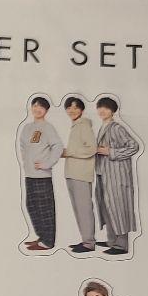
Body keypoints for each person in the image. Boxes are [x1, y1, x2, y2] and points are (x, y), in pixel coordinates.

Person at [94, 96, 140, 256]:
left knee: (118, 207)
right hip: (103, 173)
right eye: (100, 107)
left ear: (113, 111)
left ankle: (121, 245)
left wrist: (111, 152)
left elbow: (134, 146)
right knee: (106, 207)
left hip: (116, 175)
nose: (102, 110)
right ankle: (111, 240)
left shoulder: (116, 128)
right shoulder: (103, 126)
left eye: (106, 108)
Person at [18, 96, 63, 252]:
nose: (37, 109)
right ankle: (42, 237)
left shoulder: (47, 127)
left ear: (46, 110)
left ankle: (48, 242)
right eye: (35, 106)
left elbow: (58, 146)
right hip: (30, 175)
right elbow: (23, 146)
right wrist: (27, 162)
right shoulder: (27, 128)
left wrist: (47, 164)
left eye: (41, 107)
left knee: (45, 209)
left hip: (43, 176)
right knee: (31, 206)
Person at [60, 96, 99, 252]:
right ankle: (85, 241)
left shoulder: (84, 125)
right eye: (69, 107)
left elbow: (92, 148)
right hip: (72, 173)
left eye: (76, 107)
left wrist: (69, 152)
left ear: (82, 110)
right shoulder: (75, 126)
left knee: (84, 208)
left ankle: (89, 243)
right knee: (78, 209)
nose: (72, 110)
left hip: (81, 174)